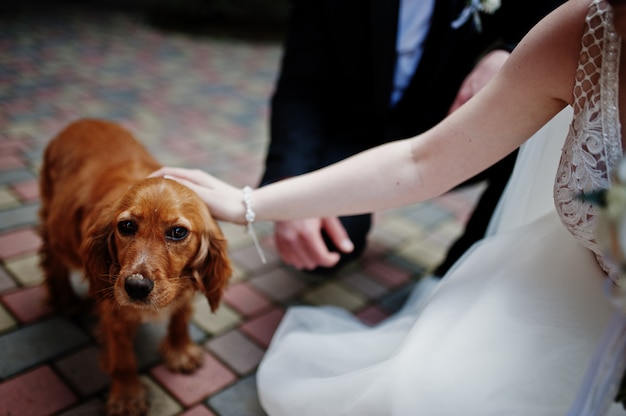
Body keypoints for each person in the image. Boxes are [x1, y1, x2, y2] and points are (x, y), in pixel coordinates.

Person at [152, 0, 626, 414]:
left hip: (454, 117)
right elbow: (417, 158)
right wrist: (253, 202)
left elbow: (522, 14)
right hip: (376, 132)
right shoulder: (586, 28)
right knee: (419, 390)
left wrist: (498, 52)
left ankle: (453, 269)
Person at [261, 0, 563, 273]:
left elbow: (551, 21)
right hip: (355, 129)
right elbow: (300, 87)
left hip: (447, 129)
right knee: (324, 246)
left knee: (537, 130)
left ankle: (461, 271)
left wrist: (509, 54)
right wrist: (289, 182)